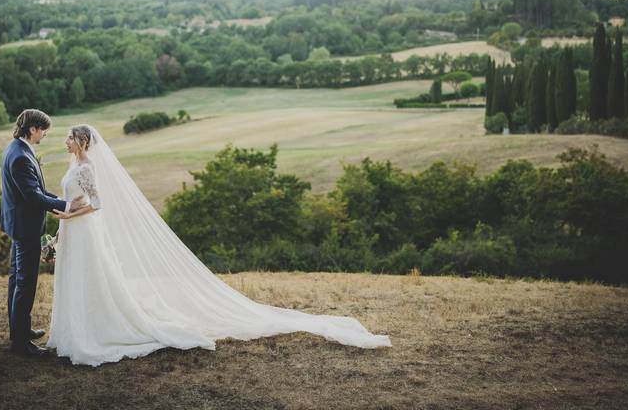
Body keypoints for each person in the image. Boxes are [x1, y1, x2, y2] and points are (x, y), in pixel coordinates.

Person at [45, 123, 391, 366]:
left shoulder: (87, 167)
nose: (66, 142)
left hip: (85, 230)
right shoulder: (74, 165)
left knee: (92, 279)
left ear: (83, 142)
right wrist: (63, 223)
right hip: (74, 231)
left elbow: (97, 203)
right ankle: (75, 329)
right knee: (78, 279)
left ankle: (96, 330)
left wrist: (68, 217)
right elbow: (75, 200)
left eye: (70, 138)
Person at [0, 108, 85, 357]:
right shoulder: (20, 157)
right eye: (44, 129)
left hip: (18, 224)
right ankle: (20, 344)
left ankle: (20, 331)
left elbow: (36, 189)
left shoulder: (17, 149)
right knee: (24, 284)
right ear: (33, 128)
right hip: (25, 228)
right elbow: (33, 196)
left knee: (17, 280)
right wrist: (68, 206)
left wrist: (59, 200)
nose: (45, 134)